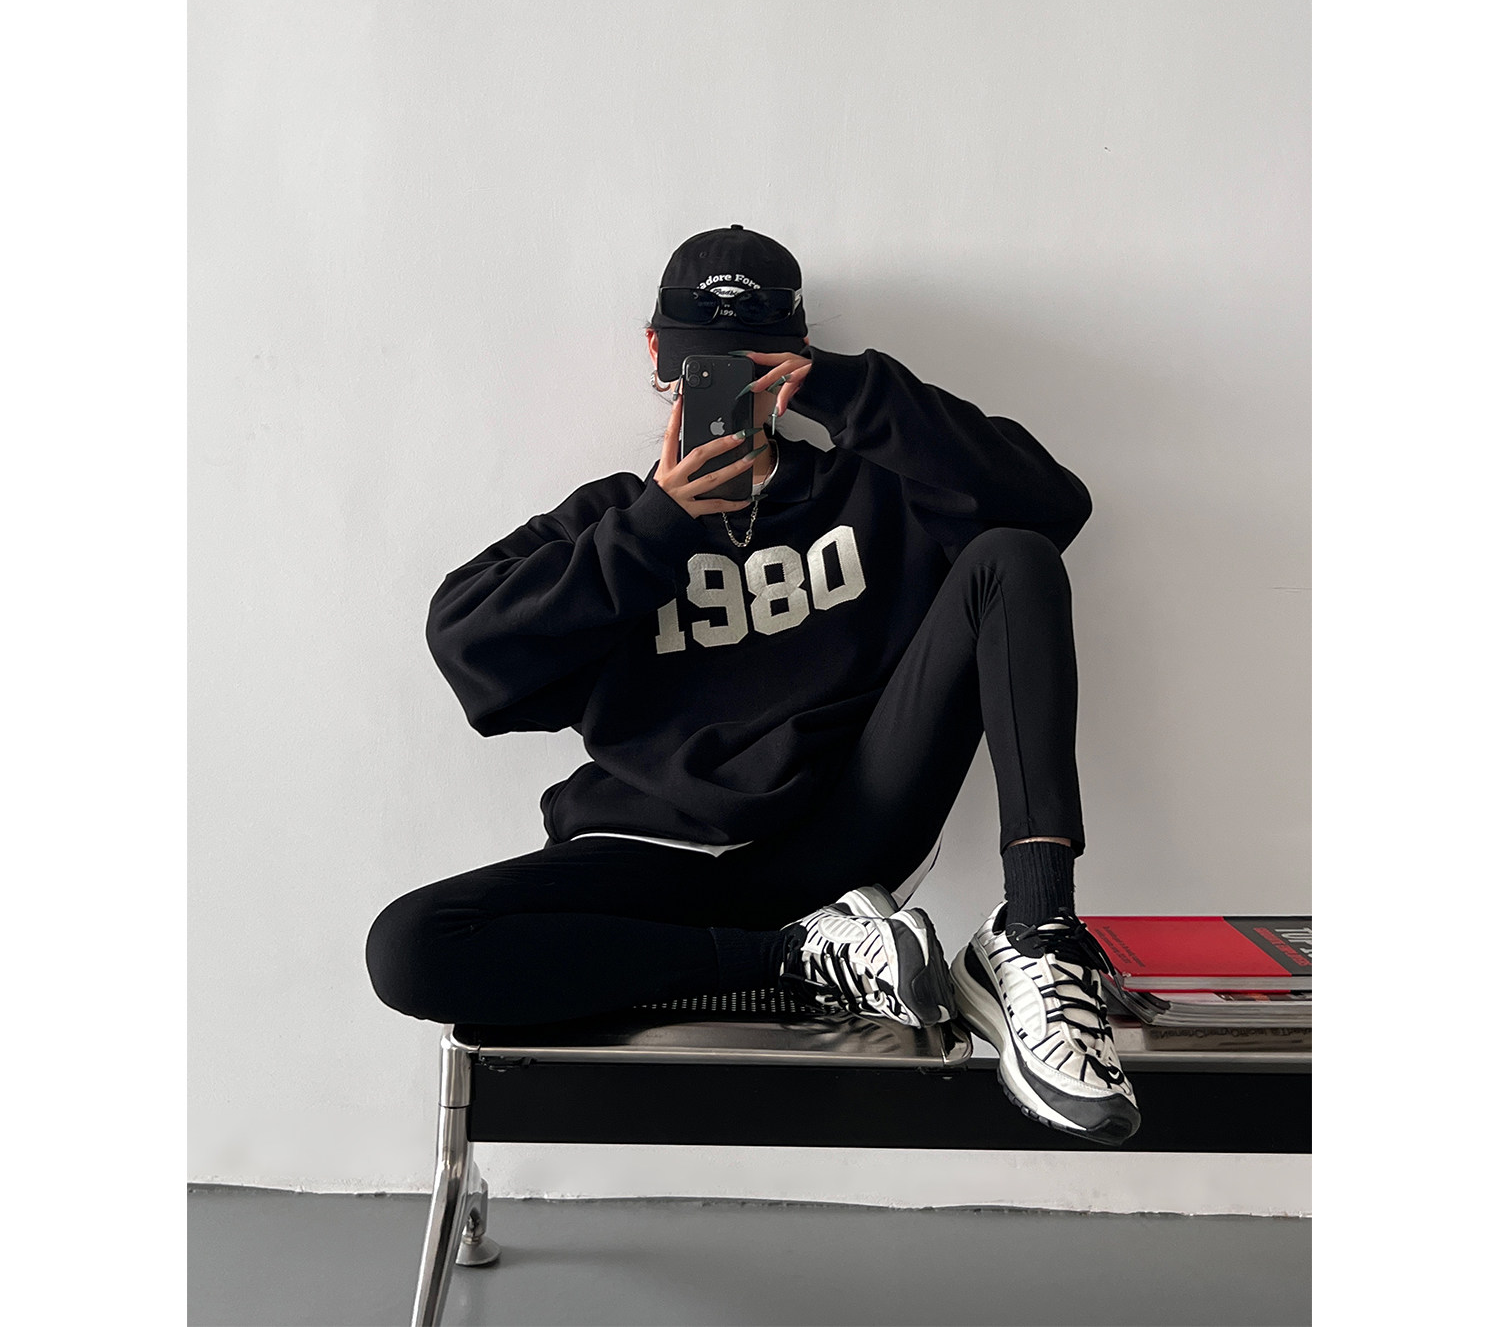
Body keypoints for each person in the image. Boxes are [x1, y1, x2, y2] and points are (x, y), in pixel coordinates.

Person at [366, 225, 1141, 1145]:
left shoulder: (874, 489)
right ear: (659, 359)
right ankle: (796, 961)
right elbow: (467, 647)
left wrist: (845, 391)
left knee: (1010, 555)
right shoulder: (610, 520)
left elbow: (1051, 510)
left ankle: (1039, 937)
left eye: (753, 366)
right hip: (649, 863)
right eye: (706, 367)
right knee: (410, 947)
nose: (731, 390)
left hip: (840, 840)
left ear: (796, 357)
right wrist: (655, 529)